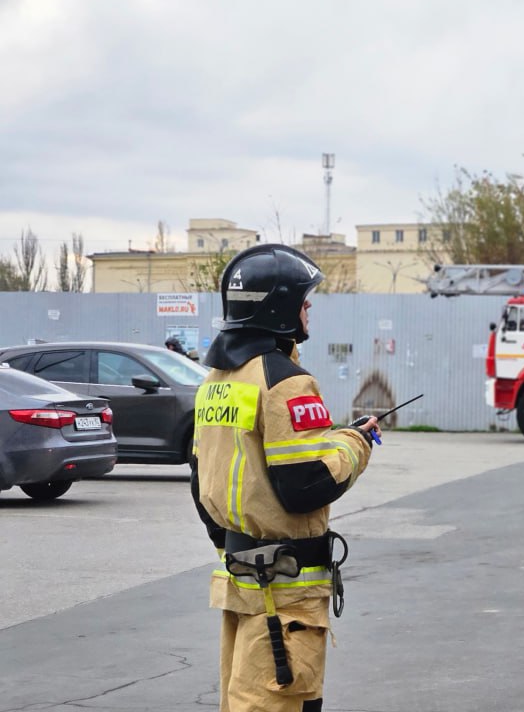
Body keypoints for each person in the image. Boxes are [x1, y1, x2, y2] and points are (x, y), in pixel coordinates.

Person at [190, 243, 380, 712]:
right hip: (286, 597)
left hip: (241, 582)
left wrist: (233, 548)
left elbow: (201, 479)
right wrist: (355, 443)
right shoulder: (287, 381)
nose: (308, 308)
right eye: (302, 299)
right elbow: (305, 485)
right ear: (278, 308)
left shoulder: (216, 381)